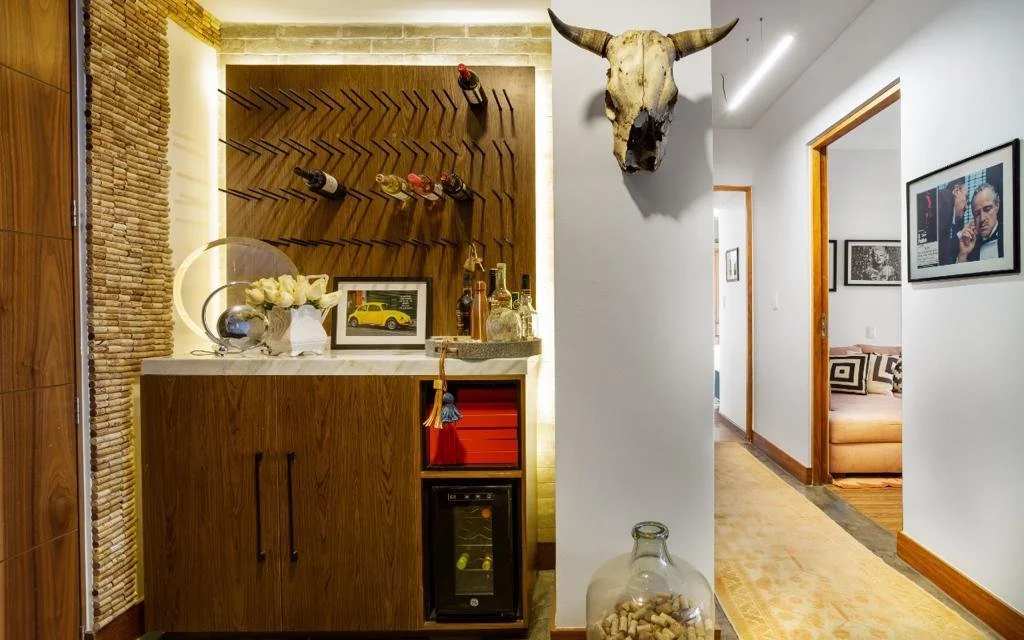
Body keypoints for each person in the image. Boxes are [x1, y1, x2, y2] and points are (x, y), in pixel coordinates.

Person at [956, 184, 1003, 262]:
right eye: (977, 214)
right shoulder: (969, 246)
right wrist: (963, 254)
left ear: (997, 206)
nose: (982, 219)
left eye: (987, 209)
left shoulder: (1009, 234)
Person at [937, 178, 968, 265]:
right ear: (956, 191)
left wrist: (960, 235)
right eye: (966, 197)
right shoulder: (945, 202)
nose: (967, 205)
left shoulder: (946, 208)